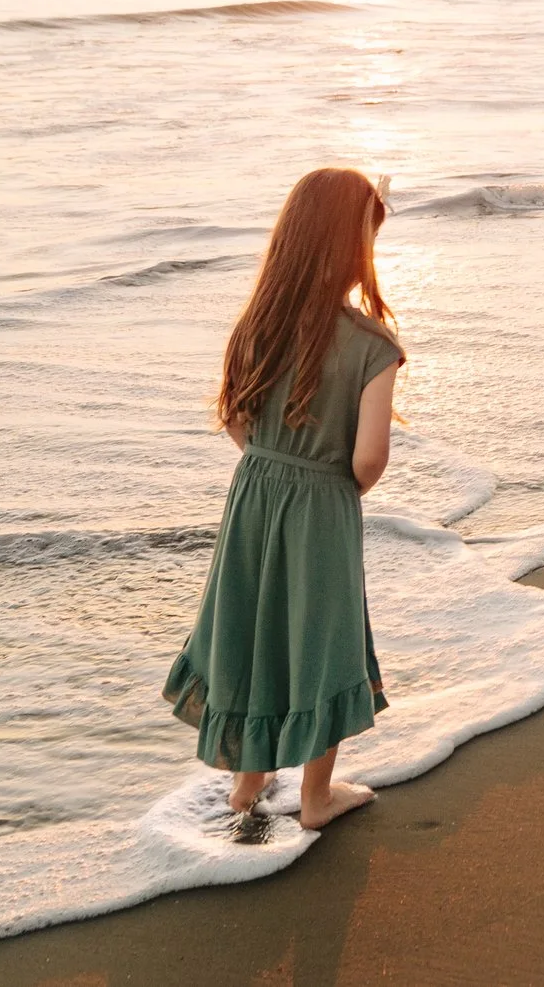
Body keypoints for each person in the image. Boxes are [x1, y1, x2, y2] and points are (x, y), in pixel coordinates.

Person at [162, 166, 401, 829]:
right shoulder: (373, 345)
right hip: (323, 502)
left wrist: (273, 465)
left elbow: (235, 418)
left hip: (255, 496)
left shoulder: (253, 327)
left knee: (256, 628)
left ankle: (248, 784)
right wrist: (329, 484)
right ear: (355, 249)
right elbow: (369, 457)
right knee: (323, 640)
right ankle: (316, 797)